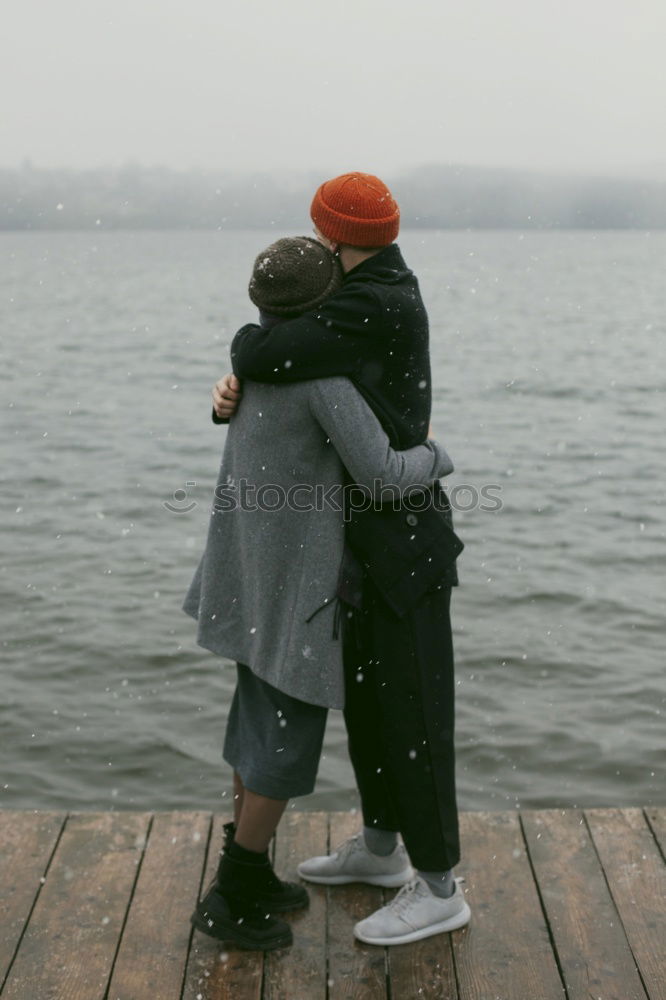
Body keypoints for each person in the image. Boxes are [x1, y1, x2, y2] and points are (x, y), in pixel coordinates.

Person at [214, 171, 471, 946]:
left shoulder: (373, 302)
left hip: (401, 542)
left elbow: (267, 342)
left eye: (322, 228)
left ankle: (438, 886)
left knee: (414, 713)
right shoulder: (361, 293)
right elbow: (274, 363)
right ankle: (384, 851)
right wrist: (232, 390)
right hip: (356, 546)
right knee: (371, 706)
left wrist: (242, 361)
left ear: (334, 235)